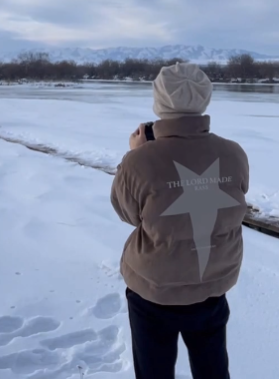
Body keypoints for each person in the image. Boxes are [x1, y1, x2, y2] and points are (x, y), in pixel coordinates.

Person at [111, 62, 249, 379]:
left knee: (154, 371)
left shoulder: (140, 160)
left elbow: (127, 213)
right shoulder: (234, 153)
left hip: (154, 288)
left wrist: (134, 156)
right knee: (213, 368)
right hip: (213, 281)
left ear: (159, 104)